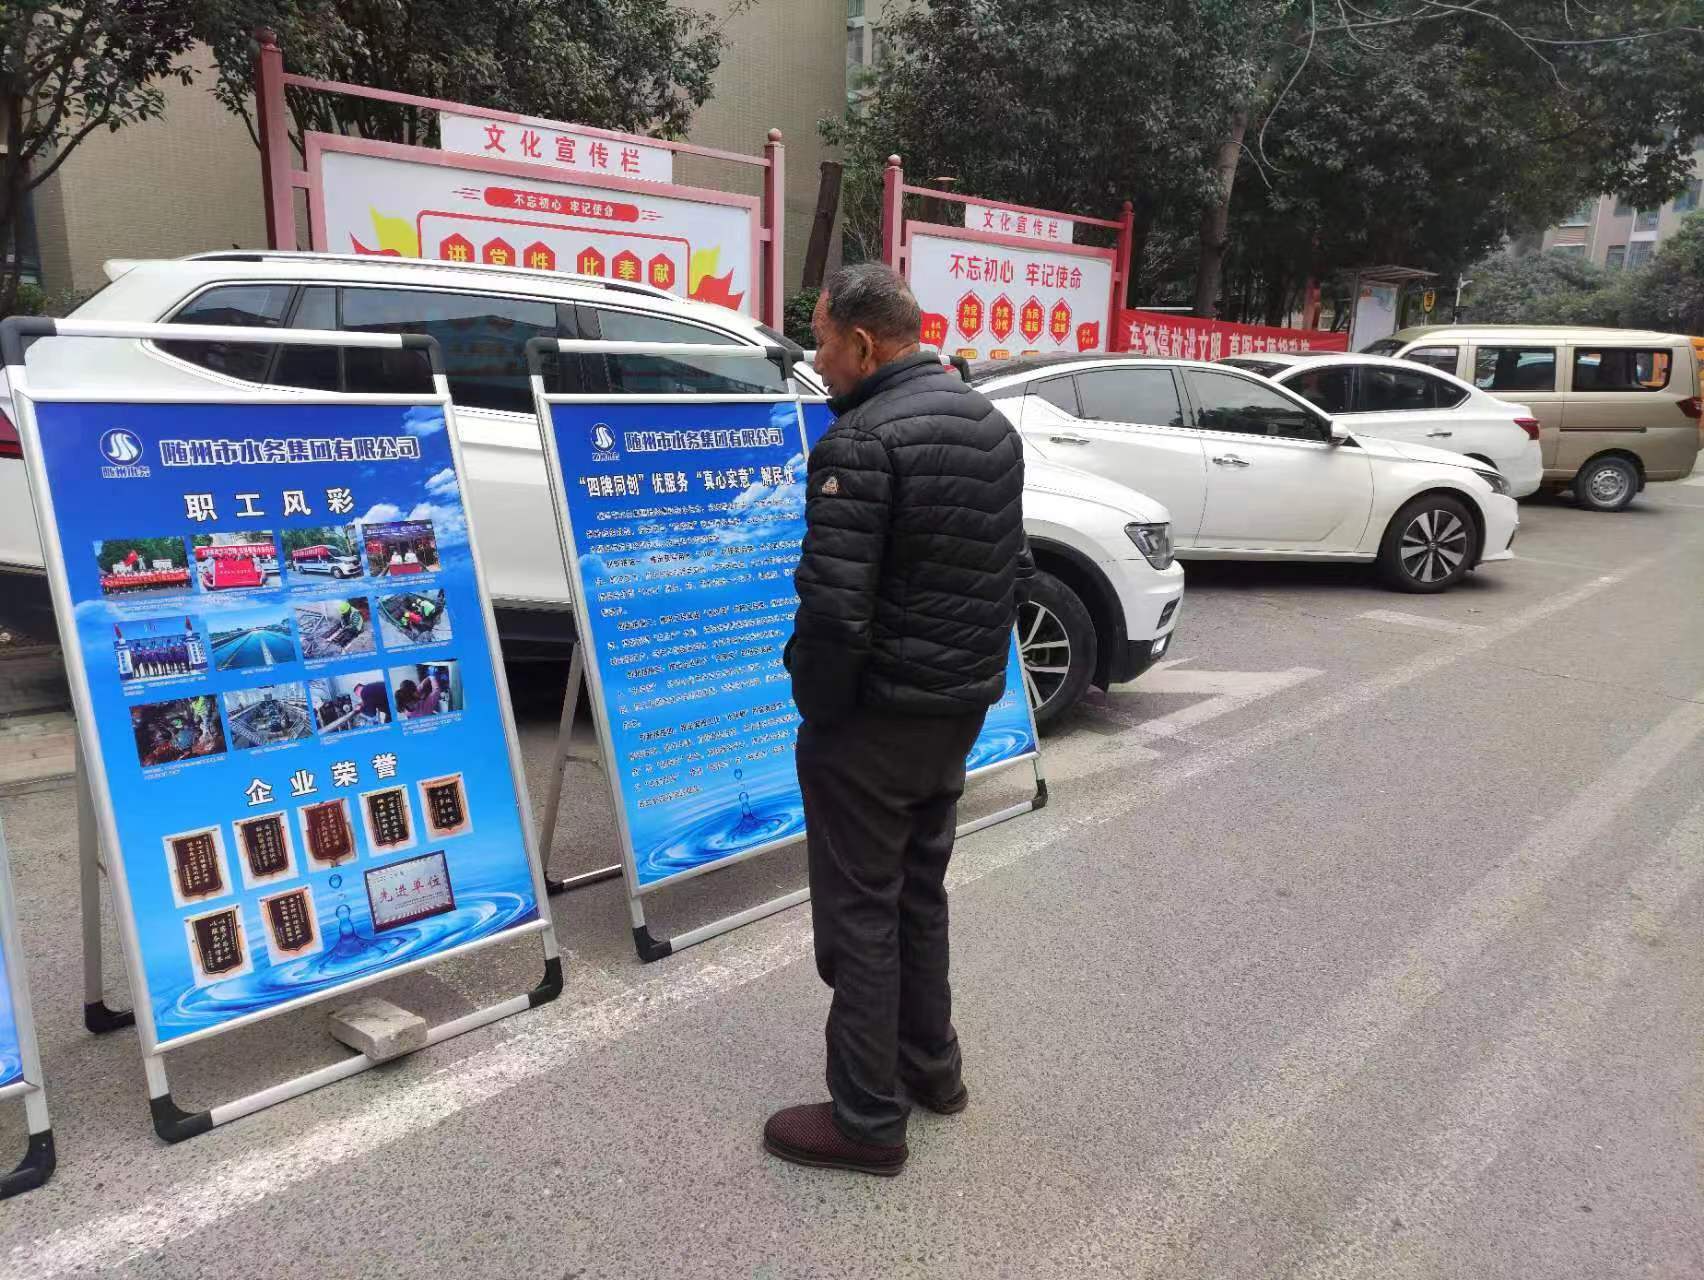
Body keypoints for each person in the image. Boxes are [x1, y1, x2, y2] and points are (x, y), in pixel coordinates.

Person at [764, 263, 1032, 1177]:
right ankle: (932, 1070)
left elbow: (834, 613)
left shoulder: (860, 441)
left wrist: (818, 709)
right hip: (957, 709)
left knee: (861, 914)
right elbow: (1013, 569)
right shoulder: (989, 424)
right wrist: (969, 678)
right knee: (918, 892)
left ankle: (868, 1121)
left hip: (874, 722)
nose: (817, 359)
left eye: (822, 341)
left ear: (864, 343)